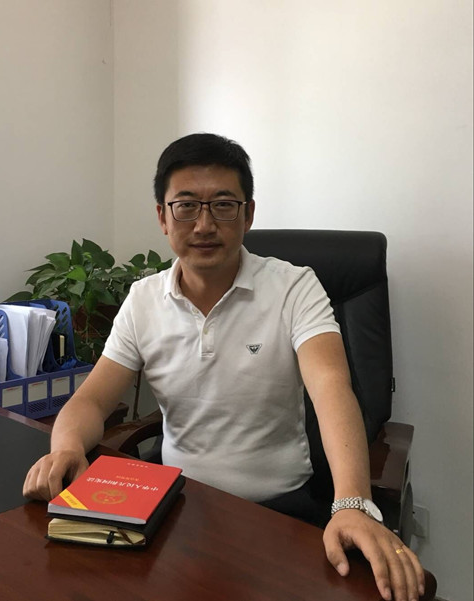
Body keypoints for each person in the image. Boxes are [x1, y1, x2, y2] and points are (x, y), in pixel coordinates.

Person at [24, 133, 424, 601]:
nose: (204, 225)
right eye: (186, 206)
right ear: (162, 217)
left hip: (281, 510)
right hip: (175, 506)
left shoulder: (295, 287)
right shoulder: (143, 299)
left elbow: (331, 388)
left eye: (223, 205)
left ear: (248, 214)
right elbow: (93, 399)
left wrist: (353, 503)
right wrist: (66, 448)